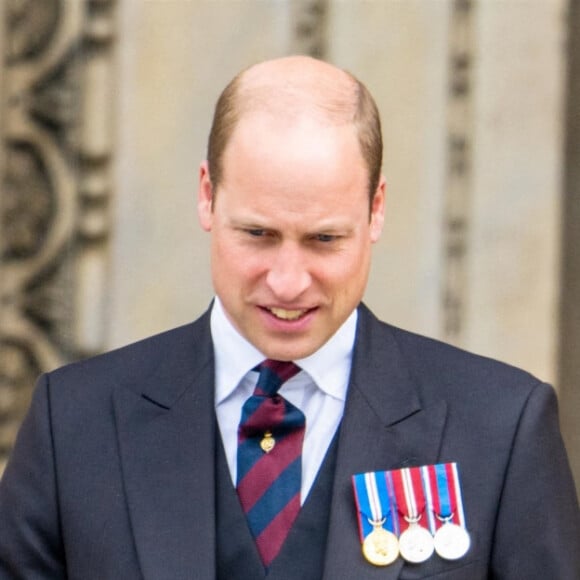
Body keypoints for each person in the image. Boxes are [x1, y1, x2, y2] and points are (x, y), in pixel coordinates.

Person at [0, 56, 578, 580]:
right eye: (258, 234)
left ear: (376, 209)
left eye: (324, 239)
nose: (287, 282)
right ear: (207, 195)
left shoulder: (502, 427)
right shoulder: (73, 425)